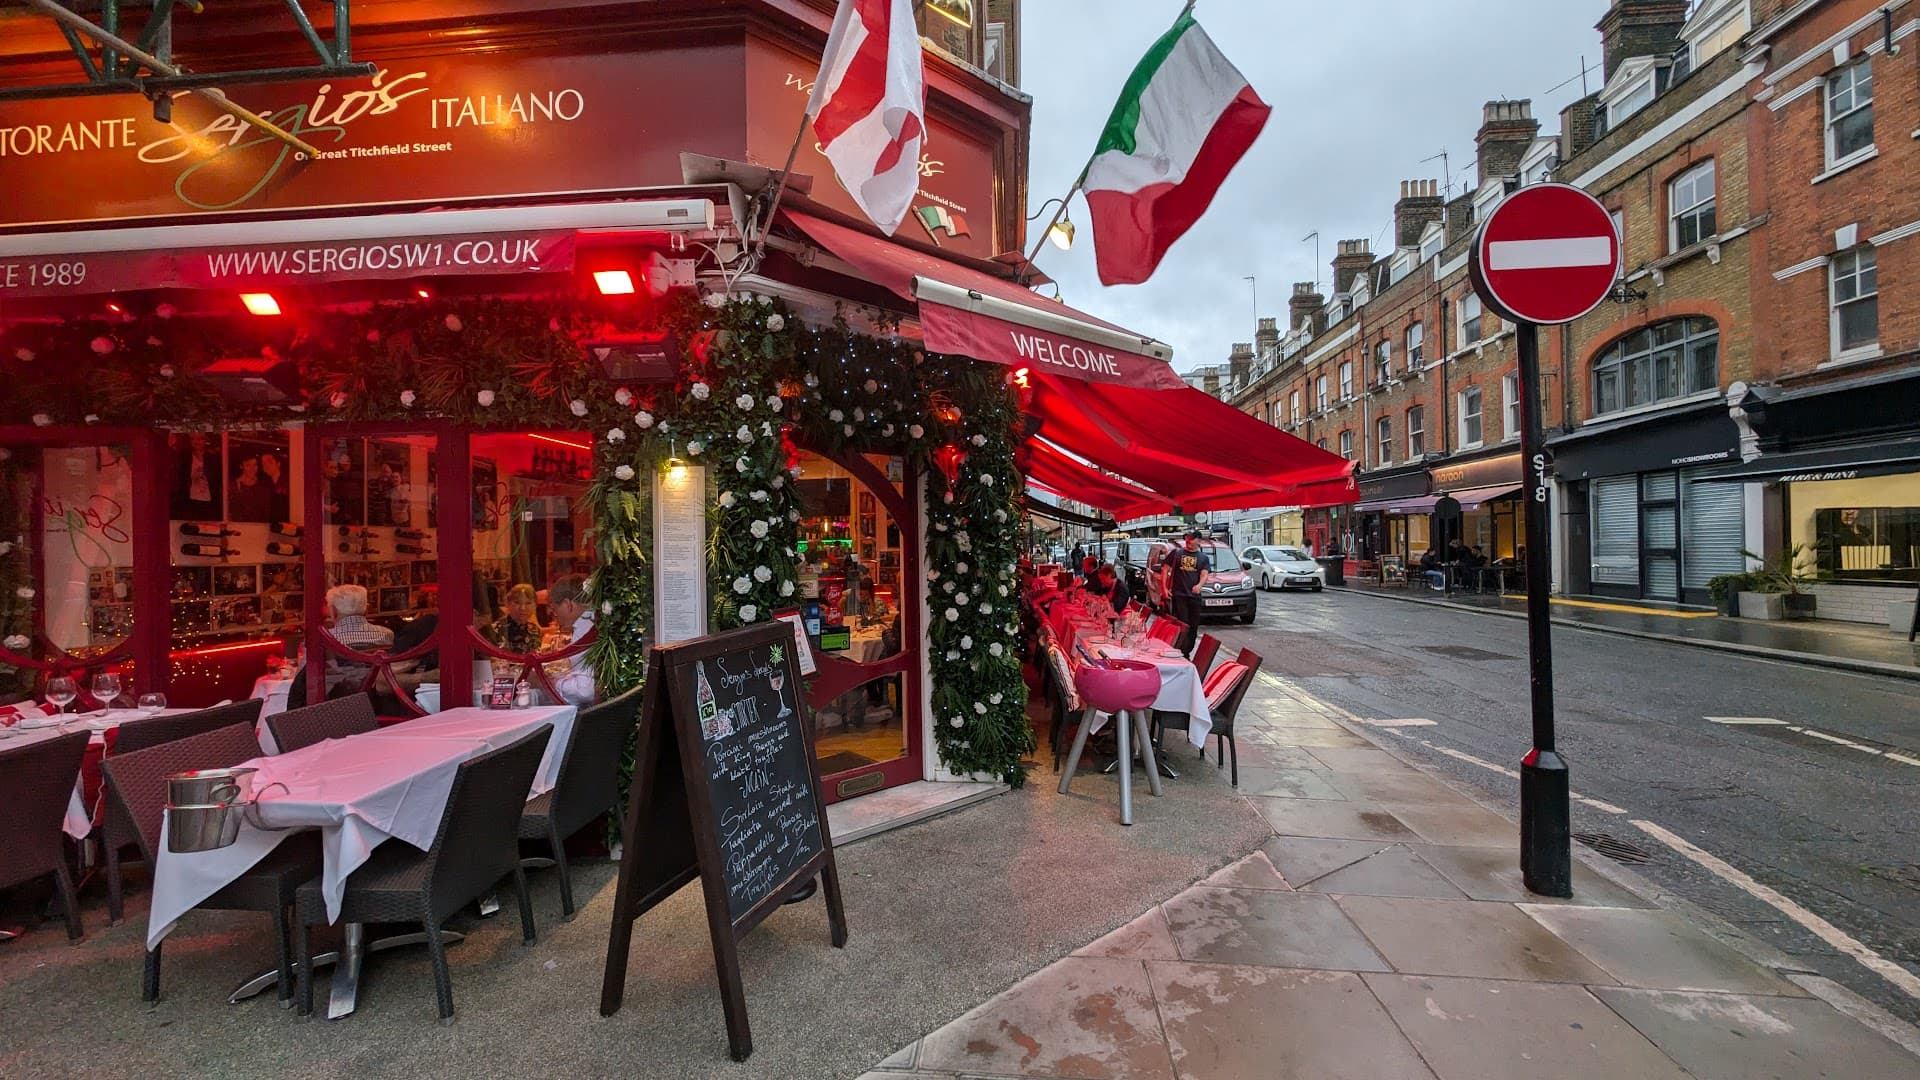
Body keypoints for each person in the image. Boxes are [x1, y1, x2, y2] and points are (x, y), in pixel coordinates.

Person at [322, 584, 394, 694]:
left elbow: (301, 682)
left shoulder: (324, 640)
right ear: (366, 609)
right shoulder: (387, 635)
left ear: (333, 611)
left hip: (335, 703)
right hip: (376, 699)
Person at [546, 574, 596, 705]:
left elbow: (585, 691)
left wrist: (552, 683)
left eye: (555, 609)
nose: (555, 615)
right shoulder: (592, 620)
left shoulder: (584, 629)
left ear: (568, 604)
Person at [1162, 531, 1211, 654]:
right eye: (1187, 538)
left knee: (1193, 626)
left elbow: (1204, 574)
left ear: (1199, 541)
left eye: (1192, 538)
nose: (1188, 540)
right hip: (1179, 595)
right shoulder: (1176, 553)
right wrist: (1164, 588)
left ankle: (1187, 650)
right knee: (1182, 623)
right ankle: (1181, 650)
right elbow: (1165, 569)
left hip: (1194, 596)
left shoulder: (1203, 558)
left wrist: (1199, 585)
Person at [488, 583, 545, 654]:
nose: (523, 608)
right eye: (517, 602)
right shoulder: (495, 630)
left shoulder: (534, 630)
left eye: (528, 603)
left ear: (535, 606)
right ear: (508, 603)